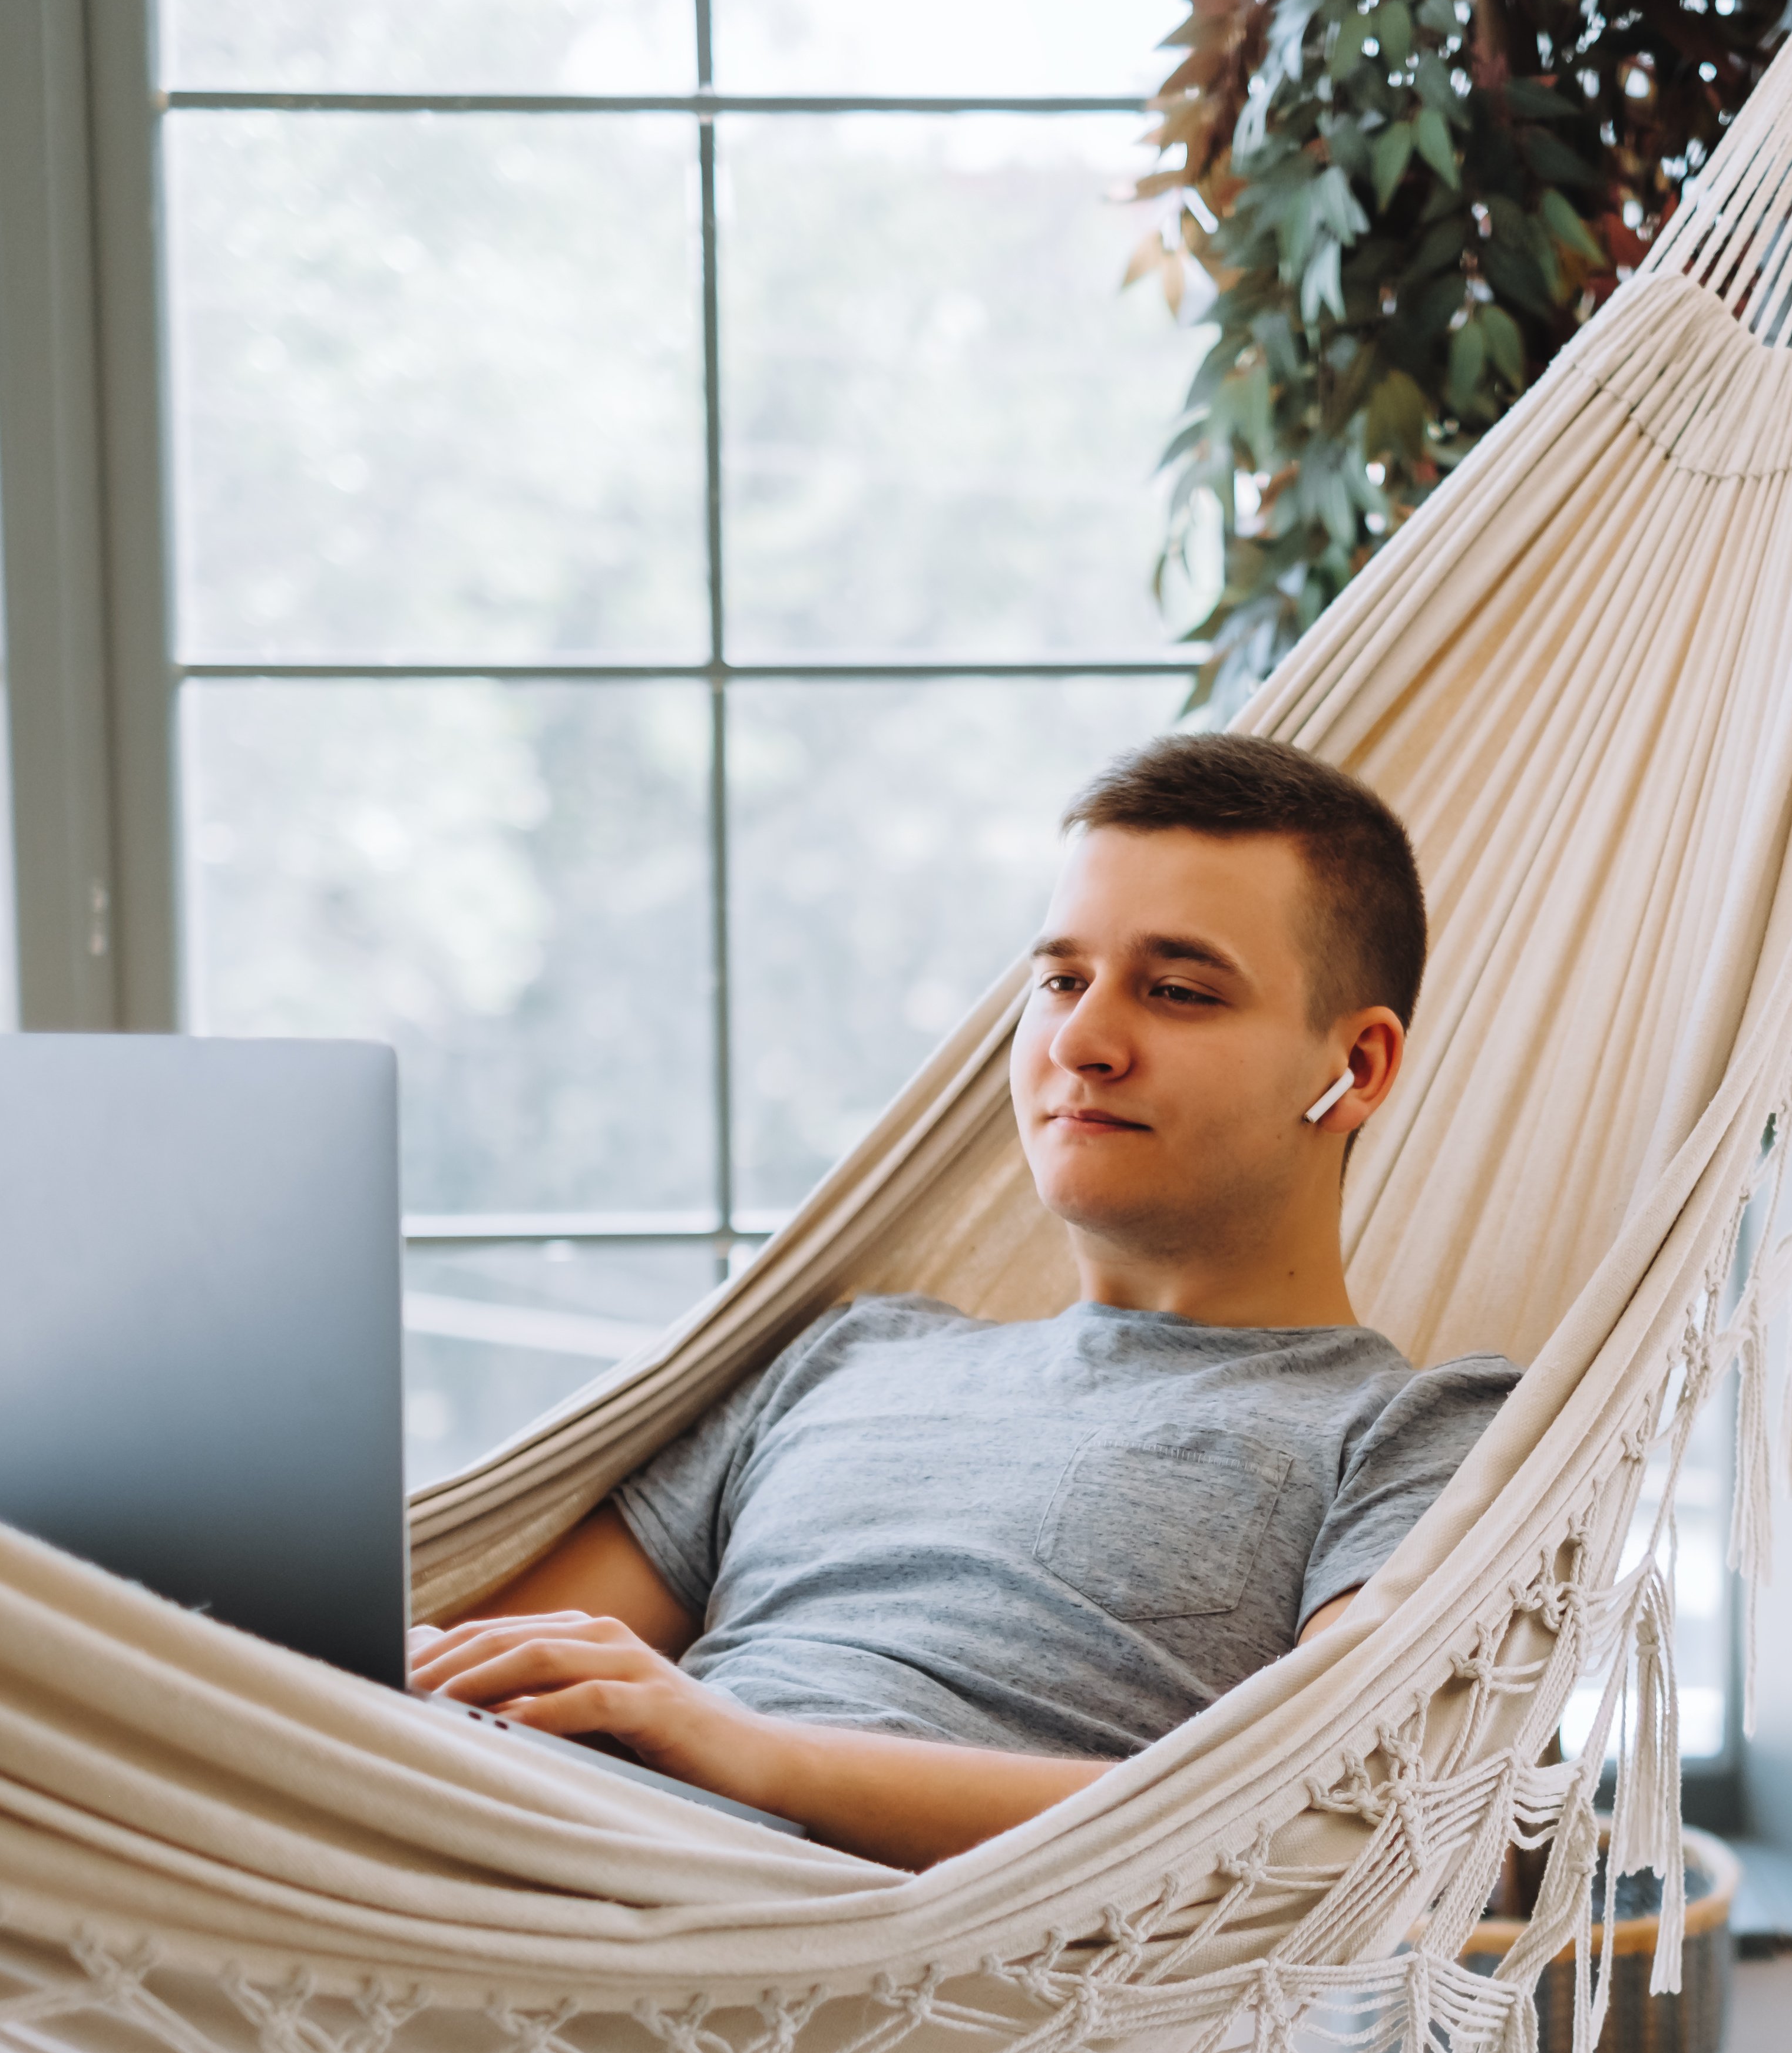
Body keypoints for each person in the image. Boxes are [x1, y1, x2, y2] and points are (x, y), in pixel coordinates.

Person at [406, 733, 1519, 1869]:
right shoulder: (849, 1352)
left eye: (1177, 992)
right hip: (514, 1853)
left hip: (802, 1949)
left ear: (1359, 1069)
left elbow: (1327, 1812)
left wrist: (742, 1750)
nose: (1081, 1042)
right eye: (1059, 982)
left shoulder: (1419, 1433)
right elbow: (458, 1681)